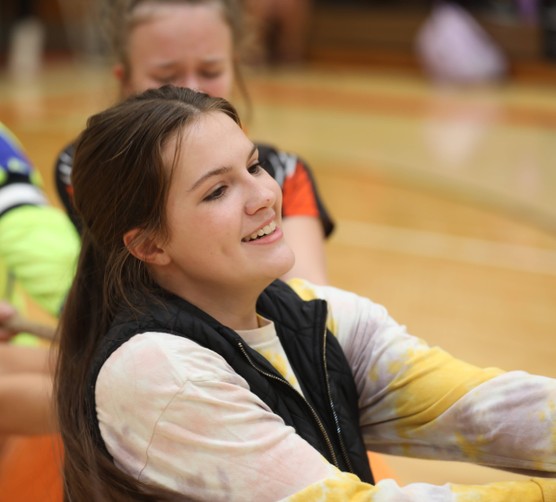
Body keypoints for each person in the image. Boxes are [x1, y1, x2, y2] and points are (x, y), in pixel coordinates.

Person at [54, 85, 556, 501]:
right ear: (149, 244)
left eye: (253, 167)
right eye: (217, 191)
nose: (264, 195)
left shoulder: (317, 315)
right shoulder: (157, 375)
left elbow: (483, 409)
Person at [54, 0, 333, 285]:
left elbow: (310, 298)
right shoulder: (86, 168)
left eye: (210, 72)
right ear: (124, 79)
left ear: (234, 69)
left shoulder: (285, 173)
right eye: (166, 77)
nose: (190, 90)